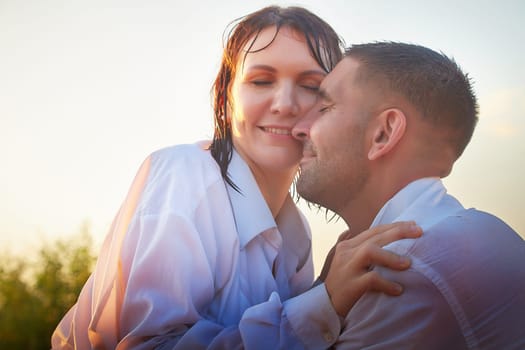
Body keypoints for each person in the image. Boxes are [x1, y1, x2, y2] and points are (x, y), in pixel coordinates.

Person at [51, 8, 422, 349]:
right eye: (261, 81)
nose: (285, 104)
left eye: (311, 86)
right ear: (225, 100)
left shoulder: (298, 235)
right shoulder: (186, 177)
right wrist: (321, 304)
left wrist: (327, 291)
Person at [292, 41, 525, 349]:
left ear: (384, 133)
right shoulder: (469, 232)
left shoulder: (406, 266)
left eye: (324, 108)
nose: (298, 128)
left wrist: (318, 304)